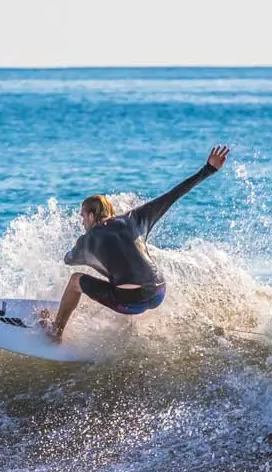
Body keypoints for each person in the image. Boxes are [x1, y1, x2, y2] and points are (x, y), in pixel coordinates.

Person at [42, 146, 230, 340]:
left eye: (82, 216)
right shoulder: (135, 217)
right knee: (126, 266)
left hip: (129, 302)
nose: (81, 221)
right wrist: (209, 169)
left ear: (91, 215)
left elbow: (68, 260)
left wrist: (78, 249)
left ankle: (56, 332)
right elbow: (173, 195)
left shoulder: (88, 240)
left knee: (75, 280)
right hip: (158, 292)